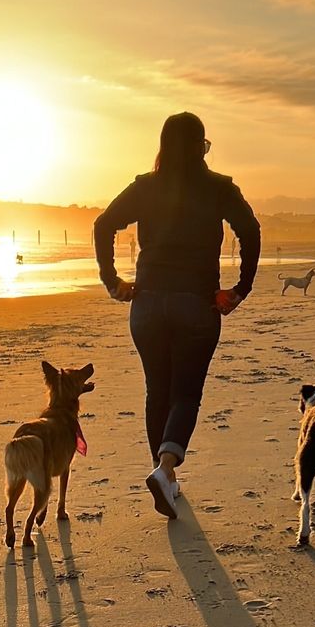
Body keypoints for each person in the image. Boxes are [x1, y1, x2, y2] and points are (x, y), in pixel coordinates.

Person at [93, 112, 261, 518]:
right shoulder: (218, 187)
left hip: (148, 303)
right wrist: (240, 289)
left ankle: (163, 478)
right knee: (185, 394)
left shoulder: (146, 187)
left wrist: (112, 281)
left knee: (158, 392)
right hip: (196, 303)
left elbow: (103, 225)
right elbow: (251, 231)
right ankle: (166, 470)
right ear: (201, 146)